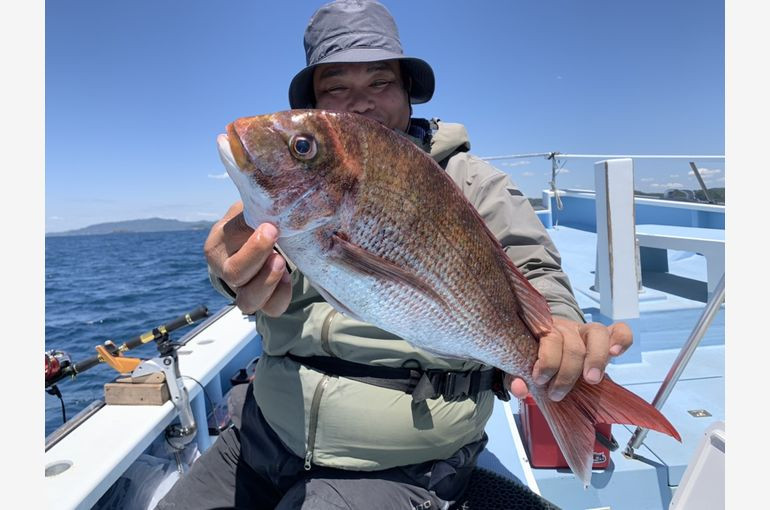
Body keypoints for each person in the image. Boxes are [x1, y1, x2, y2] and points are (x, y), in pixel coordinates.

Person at [158, 1, 632, 508]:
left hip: (402, 466)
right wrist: (230, 275)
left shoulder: (474, 182)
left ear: (408, 92)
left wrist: (558, 327)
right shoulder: (296, 198)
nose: (360, 103)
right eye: (337, 88)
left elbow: (535, 270)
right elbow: (249, 272)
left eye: (380, 82)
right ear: (318, 103)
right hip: (260, 437)